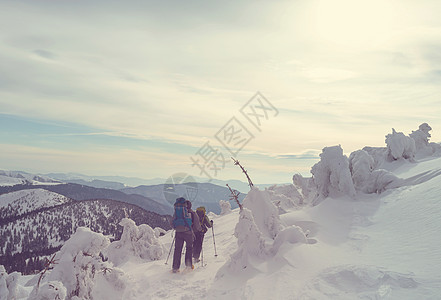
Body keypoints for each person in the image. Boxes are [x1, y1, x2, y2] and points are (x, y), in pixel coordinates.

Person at [171, 198, 201, 273]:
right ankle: (188, 266)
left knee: (177, 249)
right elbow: (197, 225)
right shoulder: (192, 213)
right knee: (189, 249)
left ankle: (175, 268)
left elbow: (172, 222)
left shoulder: (178, 212)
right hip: (188, 233)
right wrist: (200, 230)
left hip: (178, 232)